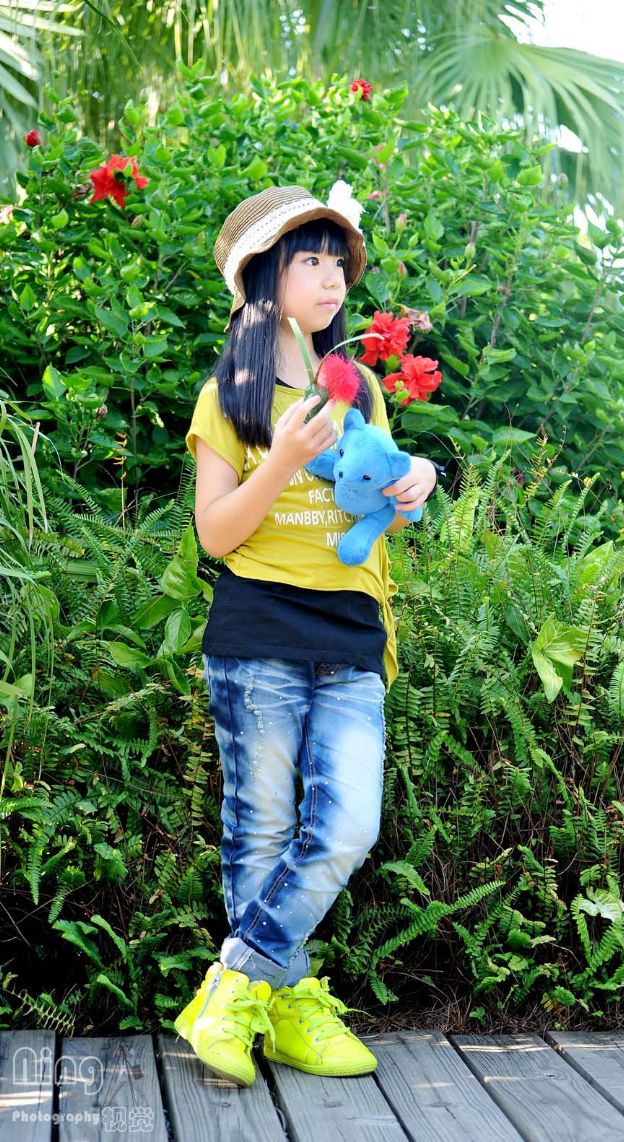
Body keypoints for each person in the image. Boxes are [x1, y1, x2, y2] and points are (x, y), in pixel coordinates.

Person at [174, 181, 441, 1087]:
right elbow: (215, 534)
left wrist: (415, 480)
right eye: (311, 261)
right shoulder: (229, 397)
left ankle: (231, 988)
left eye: (339, 263)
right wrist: (282, 458)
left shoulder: (359, 387)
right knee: (260, 830)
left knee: (348, 825)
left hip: (351, 632)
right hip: (259, 630)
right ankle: (284, 1011)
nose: (333, 280)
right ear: (264, 277)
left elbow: (378, 496)